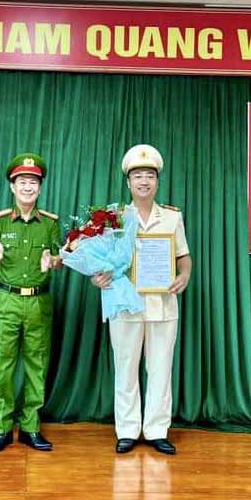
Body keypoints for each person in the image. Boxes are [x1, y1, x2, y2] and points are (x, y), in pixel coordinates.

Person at [92, 144, 191, 455]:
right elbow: (101, 260)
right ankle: (128, 430)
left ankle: (158, 429)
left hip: (163, 304)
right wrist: (98, 276)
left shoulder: (172, 218)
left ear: (157, 181)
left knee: (161, 368)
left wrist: (184, 276)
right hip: (125, 304)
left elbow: (183, 256)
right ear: (128, 182)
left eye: (149, 175)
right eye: (138, 176)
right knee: (125, 367)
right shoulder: (115, 218)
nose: (144, 181)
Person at [0, 153, 62, 453]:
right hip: (7, 300)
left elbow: (58, 259)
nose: (28, 187)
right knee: (2, 365)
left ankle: (29, 427)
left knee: (36, 365)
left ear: (39, 188)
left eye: (34, 182)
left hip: (39, 303)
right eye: (22, 181)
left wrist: (52, 261)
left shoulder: (50, 223)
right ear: (13, 187)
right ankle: (1, 428)